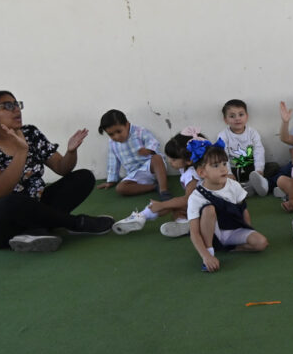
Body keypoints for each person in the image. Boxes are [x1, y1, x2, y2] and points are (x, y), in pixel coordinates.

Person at [0, 91, 113, 252]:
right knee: (12, 201)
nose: (16, 109)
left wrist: (70, 152)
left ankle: (33, 232)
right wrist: (21, 152)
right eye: (7, 106)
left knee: (84, 178)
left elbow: (62, 168)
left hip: (34, 207)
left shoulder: (30, 133)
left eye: (17, 104)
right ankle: (77, 223)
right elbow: (0, 191)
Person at [186, 139, 269, 272]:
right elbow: (194, 233)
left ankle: (230, 248)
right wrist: (206, 256)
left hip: (232, 231)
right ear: (202, 172)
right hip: (212, 235)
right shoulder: (196, 197)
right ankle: (210, 251)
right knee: (209, 209)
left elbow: (243, 210)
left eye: (224, 163)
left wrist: (249, 230)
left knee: (261, 243)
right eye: (215, 165)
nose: (223, 168)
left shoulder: (233, 185)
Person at [112, 128, 206, 237]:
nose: (170, 162)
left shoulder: (193, 174)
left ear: (189, 160)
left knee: (174, 204)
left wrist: (162, 205)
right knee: (177, 210)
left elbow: (188, 200)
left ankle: (143, 215)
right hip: (201, 203)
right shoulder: (189, 167)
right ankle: (183, 223)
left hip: (209, 207)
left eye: (174, 160)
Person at [97, 109, 170, 200]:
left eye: (119, 131)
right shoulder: (112, 143)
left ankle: (164, 190)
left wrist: (148, 150)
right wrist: (111, 180)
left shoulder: (140, 131)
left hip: (151, 168)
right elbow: (113, 162)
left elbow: (153, 142)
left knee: (157, 158)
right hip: (135, 176)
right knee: (120, 188)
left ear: (127, 125)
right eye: (111, 134)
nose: (116, 136)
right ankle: (154, 187)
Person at [217, 99, 269, 197]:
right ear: (225, 120)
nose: (237, 119)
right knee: (218, 178)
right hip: (234, 170)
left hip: (251, 168)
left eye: (241, 115)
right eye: (232, 116)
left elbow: (259, 151)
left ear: (247, 116)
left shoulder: (252, 133)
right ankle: (242, 188)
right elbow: (222, 155)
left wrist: (259, 170)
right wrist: (228, 173)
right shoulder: (223, 135)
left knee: (273, 167)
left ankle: (250, 186)